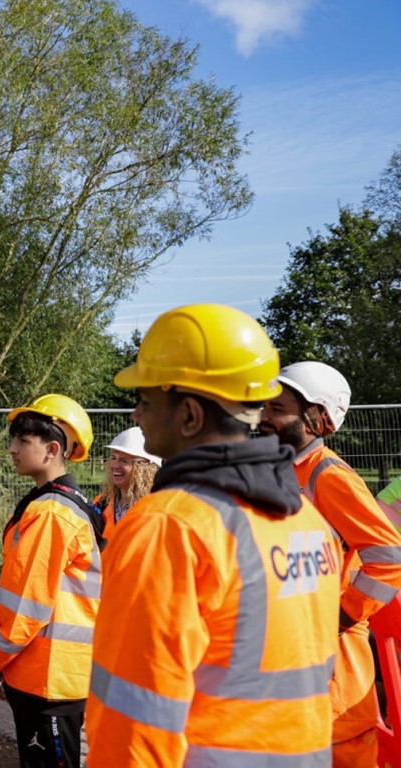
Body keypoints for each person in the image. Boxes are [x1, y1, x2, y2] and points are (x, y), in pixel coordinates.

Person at [86, 303, 342, 766]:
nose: (137, 413)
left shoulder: (167, 527)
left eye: (145, 399)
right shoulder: (307, 518)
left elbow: (134, 721)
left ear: (188, 414)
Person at [260, 360, 401, 766]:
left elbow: (389, 558)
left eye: (277, 409)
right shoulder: (285, 472)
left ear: (317, 418)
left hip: (334, 673)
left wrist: (339, 615)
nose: (264, 417)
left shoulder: (328, 476)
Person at [0, 394, 101, 768]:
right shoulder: (66, 504)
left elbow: (25, 608)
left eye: (22, 441)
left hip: (46, 677)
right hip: (55, 673)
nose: (11, 449)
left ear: (51, 449)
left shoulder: (51, 513)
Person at [96, 426, 161, 531]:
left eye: (123, 460)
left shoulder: (157, 509)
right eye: (113, 458)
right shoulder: (101, 504)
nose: (115, 466)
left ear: (143, 469)